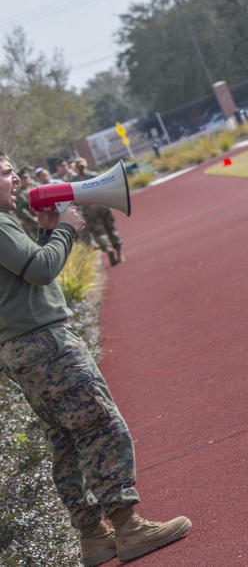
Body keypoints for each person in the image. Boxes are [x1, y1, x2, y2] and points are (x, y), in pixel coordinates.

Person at [0, 154, 191, 566]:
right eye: (4, 172)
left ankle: (94, 536)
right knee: (100, 426)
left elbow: (19, 277)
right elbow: (41, 269)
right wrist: (67, 229)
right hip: (46, 345)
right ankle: (128, 526)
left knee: (66, 440)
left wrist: (46, 231)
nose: (16, 178)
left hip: (21, 349)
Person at [72, 158, 125, 266]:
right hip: (103, 206)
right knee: (111, 228)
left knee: (99, 232)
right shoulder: (95, 176)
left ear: (75, 168)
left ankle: (107, 247)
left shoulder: (73, 182)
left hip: (89, 210)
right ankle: (119, 252)